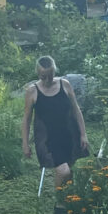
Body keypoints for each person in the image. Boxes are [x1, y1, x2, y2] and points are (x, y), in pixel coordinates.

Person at [22, 56, 90, 202]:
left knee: (69, 171)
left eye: (50, 75)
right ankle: (59, 205)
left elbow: (76, 110)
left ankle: (69, 202)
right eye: (43, 76)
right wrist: (25, 143)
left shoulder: (64, 85)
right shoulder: (32, 92)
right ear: (38, 74)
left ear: (55, 71)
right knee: (63, 171)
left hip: (69, 134)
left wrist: (83, 134)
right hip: (48, 139)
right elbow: (26, 119)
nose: (47, 80)